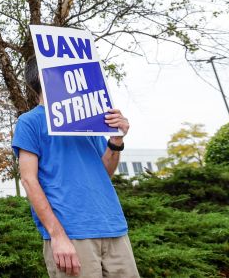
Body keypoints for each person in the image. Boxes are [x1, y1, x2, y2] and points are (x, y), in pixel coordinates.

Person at [12, 57, 140, 277]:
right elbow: (29, 180)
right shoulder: (30, 121)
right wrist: (58, 236)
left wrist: (116, 140)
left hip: (114, 228)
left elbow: (104, 172)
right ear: (45, 77)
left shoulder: (90, 121)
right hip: (71, 234)